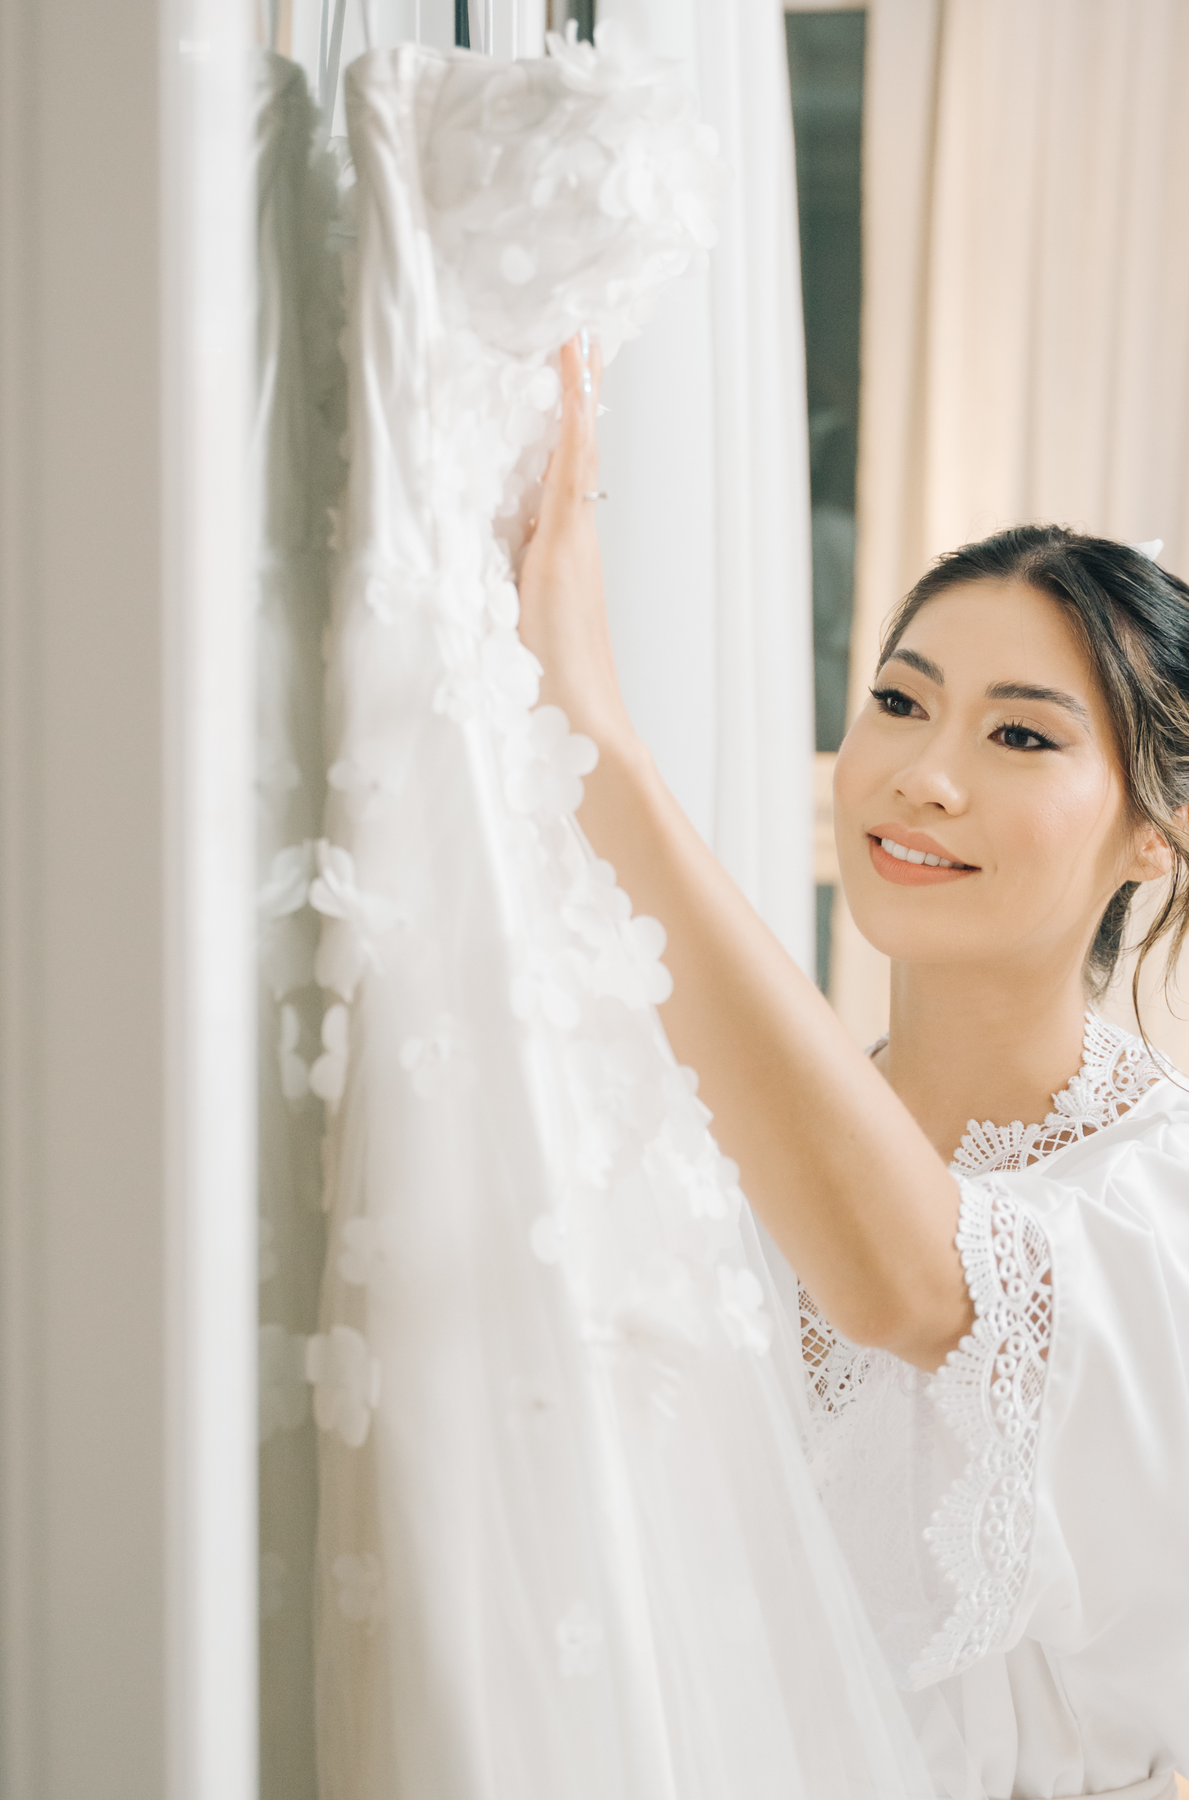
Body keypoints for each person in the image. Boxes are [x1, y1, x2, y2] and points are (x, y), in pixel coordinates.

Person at [518, 337, 1189, 1800]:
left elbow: (918, 1291)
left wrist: (597, 738)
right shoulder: (711, 1158)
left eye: (1021, 733)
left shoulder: (1157, 1209)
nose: (923, 773)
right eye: (899, 700)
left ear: (1156, 835)